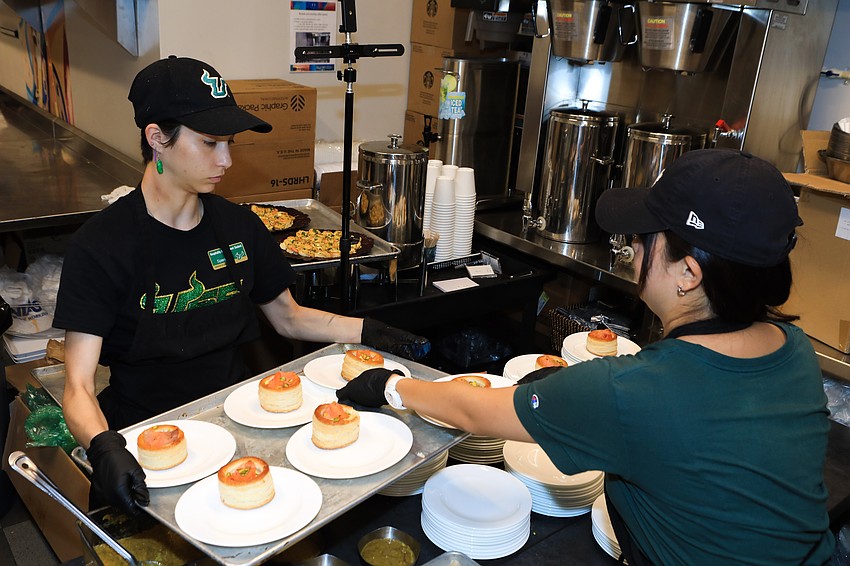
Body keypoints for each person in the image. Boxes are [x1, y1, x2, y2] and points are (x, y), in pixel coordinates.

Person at [339, 149, 835, 564]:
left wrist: (388, 384)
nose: (632, 252)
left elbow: (475, 409)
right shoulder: (796, 352)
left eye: (643, 240)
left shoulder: (634, 389)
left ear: (687, 272)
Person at [52, 56, 429, 515]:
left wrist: (368, 332)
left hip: (236, 424)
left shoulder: (239, 226)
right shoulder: (102, 245)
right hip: (145, 439)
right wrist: (103, 447)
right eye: (210, 143)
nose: (226, 160)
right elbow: (77, 385)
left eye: (229, 143)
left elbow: (288, 317)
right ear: (157, 139)